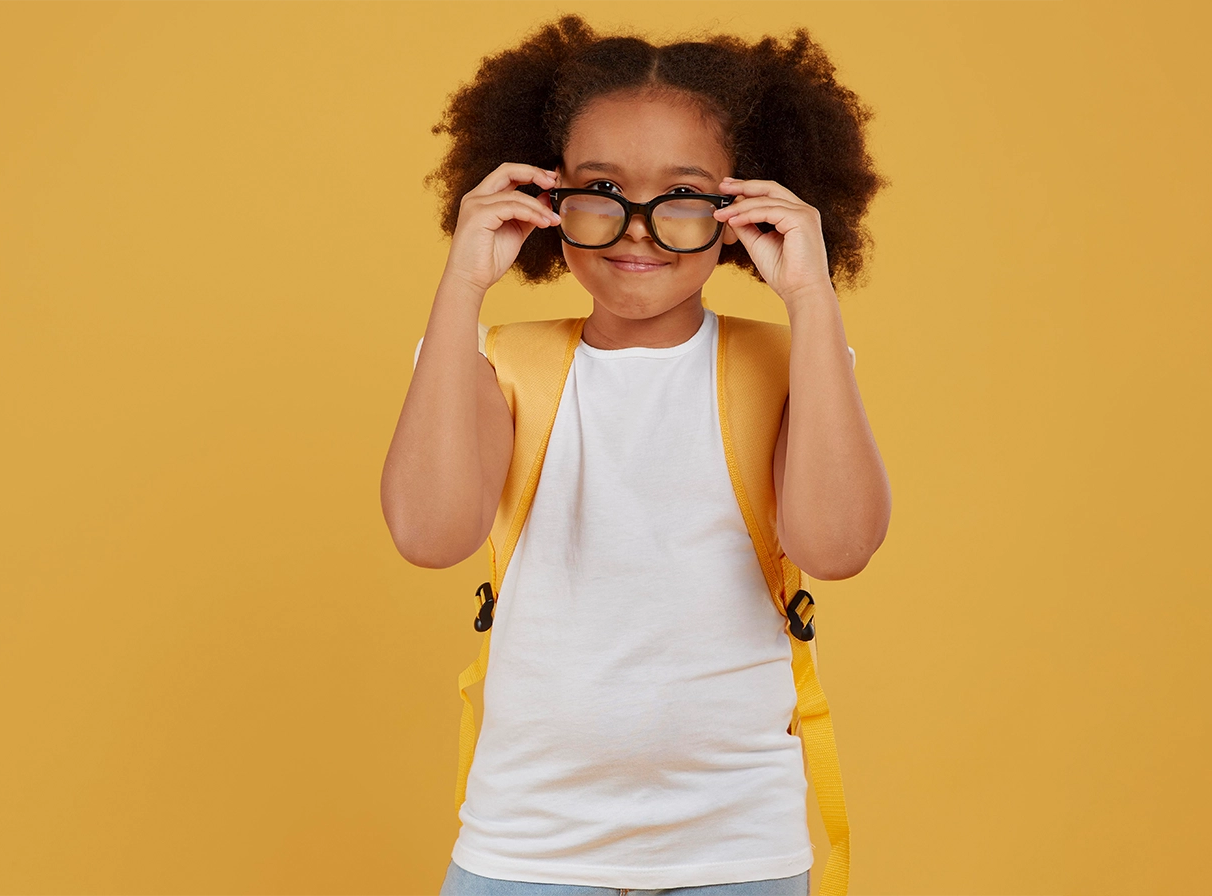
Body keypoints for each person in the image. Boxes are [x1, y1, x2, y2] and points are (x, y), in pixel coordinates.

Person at [380, 17, 892, 896]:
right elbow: (430, 534)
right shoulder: (498, 362)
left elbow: (837, 547)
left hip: (739, 851)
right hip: (525, 849)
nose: (638, 229)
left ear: (738, 209)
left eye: (684, 194)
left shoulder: (782, 364)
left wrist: (809, 296)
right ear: (545, 197)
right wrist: (461, 284)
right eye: (601, 190)